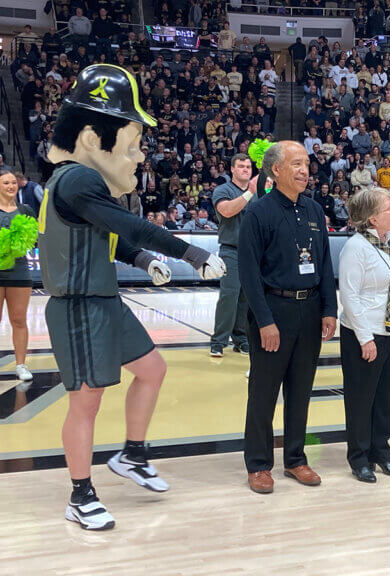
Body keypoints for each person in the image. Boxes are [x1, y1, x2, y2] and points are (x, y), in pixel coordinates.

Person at [39, 64, 226, 530]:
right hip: (78, 304)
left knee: (152, 368)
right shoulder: (78, 179)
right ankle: (80, 495)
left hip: (102, 299)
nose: (140, 157)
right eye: (132, 145)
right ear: (89, 139)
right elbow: (128, 225)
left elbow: (111, 238)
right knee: (86, 401)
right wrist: (190, 252)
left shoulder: (73, 184)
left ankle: (133, 454)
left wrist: (144, 262)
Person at [238, 141, 337, 494]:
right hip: (273, 310)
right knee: (263, 392)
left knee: (301, 390)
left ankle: (295, 458)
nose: (304, 170)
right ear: (275, 170)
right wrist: (264, 320)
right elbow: (248, 272)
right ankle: (259, 464)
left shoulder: (312, 210)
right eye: (296, 163)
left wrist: (329, 309)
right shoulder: (259, 213)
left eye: (306, 163)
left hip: (309, 310)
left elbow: (324, 263)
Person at [338, 188, 390, 483]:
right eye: (389, 208)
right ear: (372, 219)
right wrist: (364, 339)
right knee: (361, 400)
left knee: (385, 399)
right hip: (365, 334)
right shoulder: (356, 248)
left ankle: (381, 452)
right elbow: (350, 297)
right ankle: (359, 457)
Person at [209, 154, 259, 357]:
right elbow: (227, 211)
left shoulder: (258, 194)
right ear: (232, 169)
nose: (246, 169)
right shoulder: (223, 190)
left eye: (248, 166)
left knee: (246, 299)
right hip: (231, 250)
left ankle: (241, 339)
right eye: (241, 166)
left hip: (253, 253)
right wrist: (249, 193)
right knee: (229, 296)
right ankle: (218, 341)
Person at [0, 169, 35, 382]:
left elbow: (34, 238)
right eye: (6, 183)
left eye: (13, 182)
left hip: (19, 273)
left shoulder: (26, 210)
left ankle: (21, 365)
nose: (11, 186)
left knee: (19, 320)